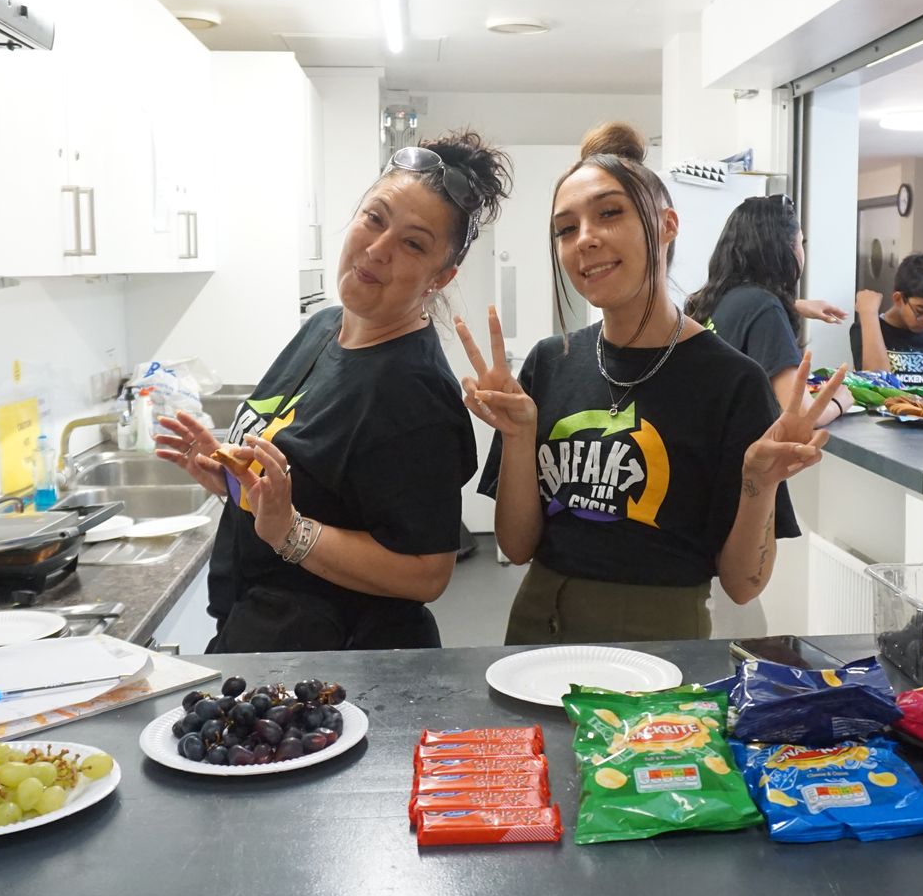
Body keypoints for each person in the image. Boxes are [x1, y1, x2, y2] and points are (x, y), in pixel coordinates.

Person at [464, 123, 842, 643]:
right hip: (537, 629)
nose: (585, 239)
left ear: (666, 225)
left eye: (609, 213)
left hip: (663, 643)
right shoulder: (549, 364)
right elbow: (518, 544)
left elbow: (743, 584)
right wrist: (517, 437)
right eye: (565, 228)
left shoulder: (731, 382)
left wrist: (760, 481)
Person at [153, 132, 512, 652]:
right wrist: (234, 482)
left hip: (338, 670)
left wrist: (290, 532)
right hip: (265, 642)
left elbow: (427, 573)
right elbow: (312, 489)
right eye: (375, 218)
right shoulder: (323, 327)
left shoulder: (413, 392)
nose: (377, 248)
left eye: (413, 243)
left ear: (442, 276)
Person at [685, 193, 850, 429]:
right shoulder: (764, 308)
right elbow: (800, 415)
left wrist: (796, 305)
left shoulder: (710, 299)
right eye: (800, 243)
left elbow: (745, 314)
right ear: (783, 252)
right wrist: (839, 401)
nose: (802, 252)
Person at [852, 253, 923, 391]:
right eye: (921, 311)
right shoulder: (866, 328)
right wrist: (869, 314)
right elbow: (877, 383)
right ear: (898, 299)